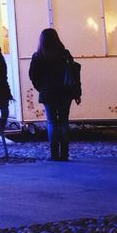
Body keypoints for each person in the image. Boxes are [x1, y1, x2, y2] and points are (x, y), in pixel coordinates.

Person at [29, 28, 80, 161]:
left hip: (48, 92)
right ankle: (64, 153)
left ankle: (54, 154)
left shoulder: (38, 56)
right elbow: (73, 73)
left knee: (51, 122)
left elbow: (33, 75)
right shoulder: (64, 54)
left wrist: (40, 87)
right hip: (65, 92)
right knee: (63, 121)